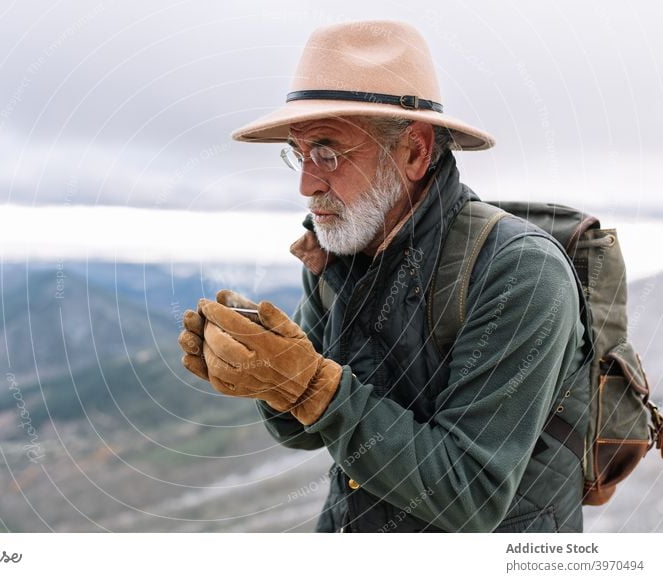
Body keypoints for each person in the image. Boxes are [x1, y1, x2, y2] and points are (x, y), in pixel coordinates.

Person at [178, 20, 589, 533]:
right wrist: (267, 375)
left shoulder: (520, 272)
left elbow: (471, 493)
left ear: (414, 151)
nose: (307, 183)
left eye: (328, 152)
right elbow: (304, 432)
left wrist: (308, 385)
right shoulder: (339, 250)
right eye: (298, 154)